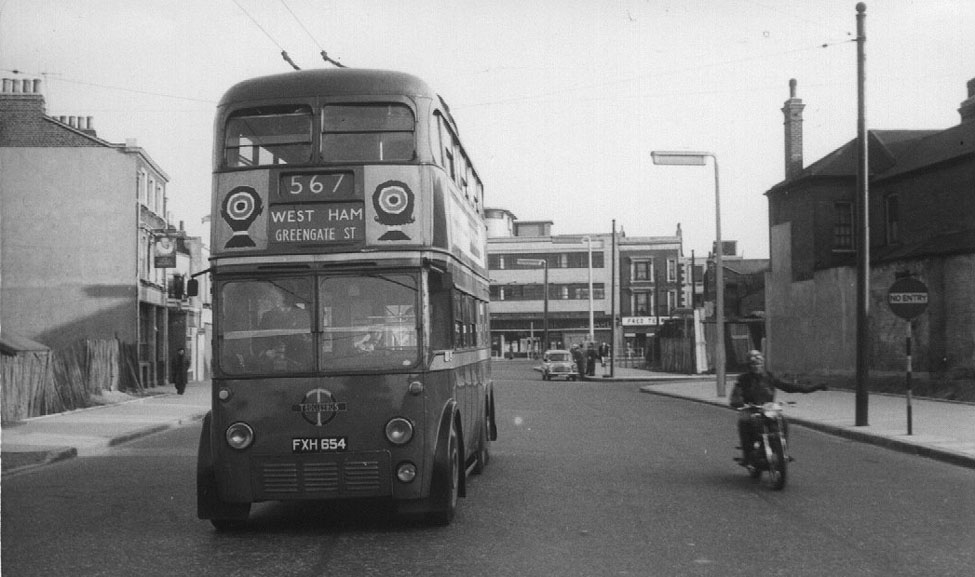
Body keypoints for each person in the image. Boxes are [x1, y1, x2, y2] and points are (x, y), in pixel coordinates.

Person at [730, 350, 826, 464]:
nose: (757, 367)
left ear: (763, 364)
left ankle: (782, 451)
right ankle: (747, 455)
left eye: (759, 363)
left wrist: (815, 387)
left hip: (767, 409)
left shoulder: (769, 377)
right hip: (751, 409)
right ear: (749, 366)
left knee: (783, 421)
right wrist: (737, 401)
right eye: (753, 364)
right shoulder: (743, 379)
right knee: (744, 422)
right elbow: (736, 393)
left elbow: (788, 386)